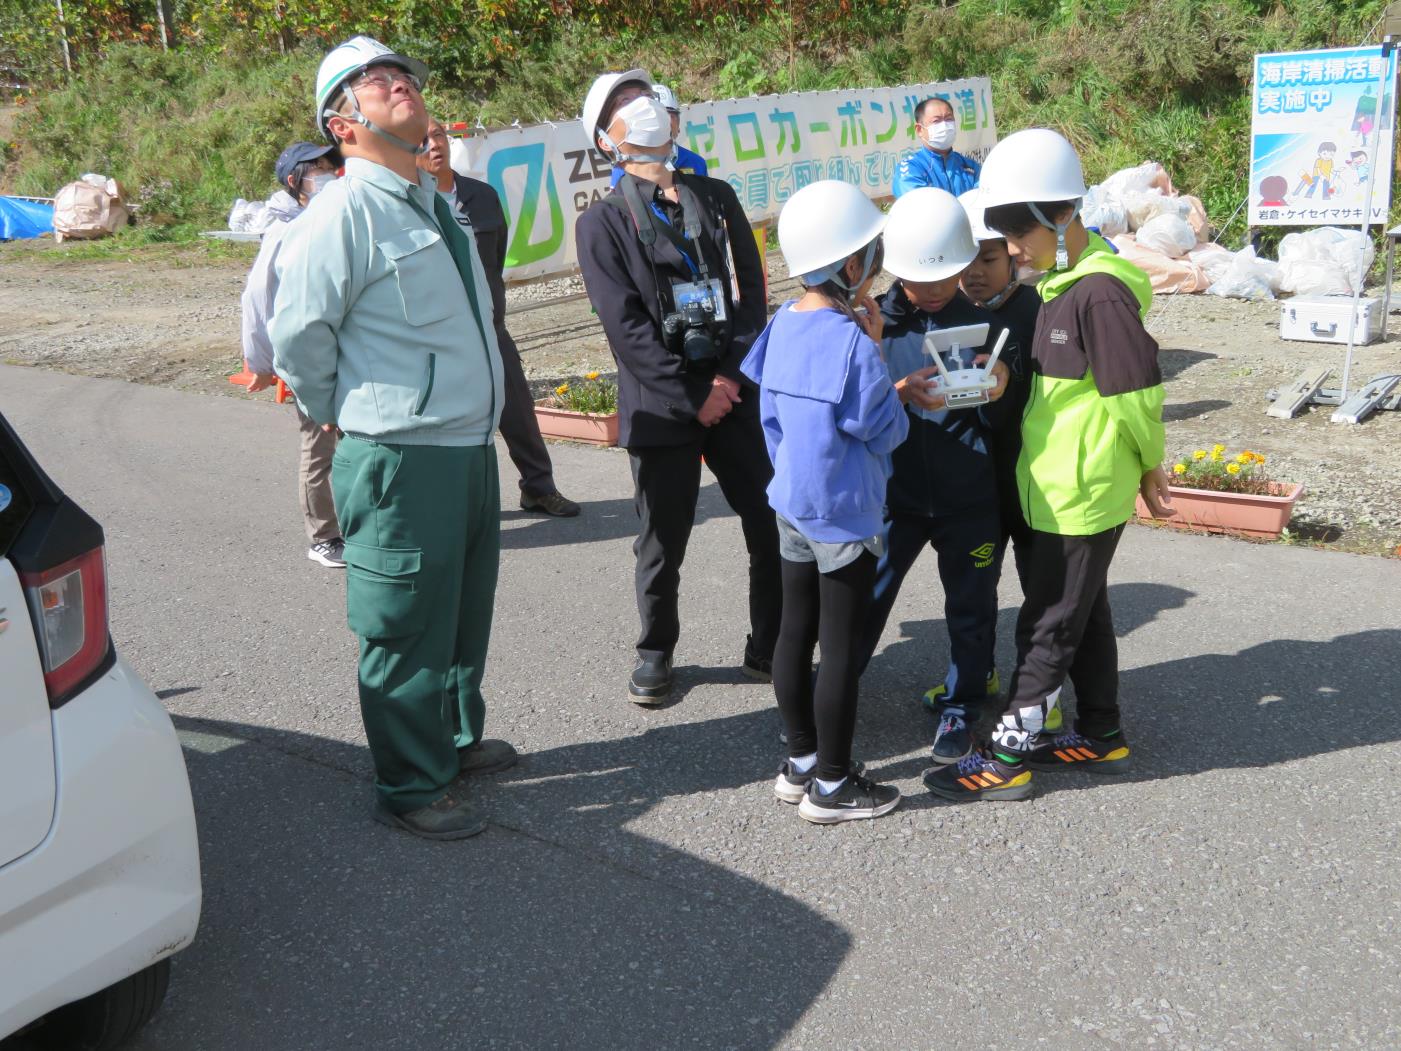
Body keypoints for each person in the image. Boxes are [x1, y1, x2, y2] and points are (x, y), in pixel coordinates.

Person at [270, 36, 518, 840]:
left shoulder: (434, 202)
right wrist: (346, 412)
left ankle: (448, 739)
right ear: (342, 126)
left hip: (466, 448)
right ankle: (410, 783)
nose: (397, 84)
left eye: (402, 75)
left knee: (460, 613)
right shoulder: (341, 212)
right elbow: (299, 338)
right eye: (371, 83)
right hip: (400, 452)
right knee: (404, 621)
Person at [923, 128, 1171, 803]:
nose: (1008, 247)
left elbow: (1136, 393)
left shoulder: (1099, 294)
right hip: (1058, 484)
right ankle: (1100, 729)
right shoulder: (1062, 286)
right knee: (1081, 610)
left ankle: (1005, 756)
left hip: (1083, 490)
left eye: (1014, 231)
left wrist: (1150, 466)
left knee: (1046, 623)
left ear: (1060, 214)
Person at [575, 68, 782, 705]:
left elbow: (752, 290)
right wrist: (691, 393)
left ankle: (768, 642)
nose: (641, 110)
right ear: (606, 140)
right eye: (622, 107)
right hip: (660, 399)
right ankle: (656, 651)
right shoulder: (602, 223)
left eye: (644, 99)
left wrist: (730, 370)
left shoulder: (715, 196)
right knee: (663, 535)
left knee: (769, 517)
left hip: (730, 384)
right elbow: (625, 328)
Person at [741, 180, 909, 824]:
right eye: (872, 251)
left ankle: (802, 761)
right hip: (843, 511)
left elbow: (773, 419)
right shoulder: (852, 344)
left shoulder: (782, 322)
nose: (878, 263)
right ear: (848, 265)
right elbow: (885, 429)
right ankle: (834, 787)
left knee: (794, 630)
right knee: (839, 648)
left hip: (789, 503)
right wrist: (875, 350)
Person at [854, 187, 1014, 768]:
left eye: (947, 276)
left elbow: (1005, 418)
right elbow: (850, 408)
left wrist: (999, 390)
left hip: (969, 495)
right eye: (923, 281)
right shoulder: (871, 323)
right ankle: (836, 694)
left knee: (971, 605)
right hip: (889, 497)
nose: (935, 289)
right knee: (863, 601)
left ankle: (963, 704)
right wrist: (895, 392)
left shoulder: (984, 328)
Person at [417, 118, 581, 517]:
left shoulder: (482, 196)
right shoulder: (410, 204)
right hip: (439, 336)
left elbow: (496, 258)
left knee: (518, 410)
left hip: (491, 326)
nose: (434, 144)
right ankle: (456, 506)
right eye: (422, 140)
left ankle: (539, 488)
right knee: (452, 422)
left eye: (439, 135)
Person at [240, 140, 346, 568]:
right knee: (319, 445)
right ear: (294, 181)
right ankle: (322, 536)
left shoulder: (328, 218)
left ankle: (354, 524)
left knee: (350, 441)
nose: (326, 172)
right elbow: (257, 298)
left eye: (328, 165)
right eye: (315, 167)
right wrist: (261, 363)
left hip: (339, 349)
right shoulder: (286, 228)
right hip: (307, 356)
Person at [958, 188, 1037, 596]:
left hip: (1030, 474)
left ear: (1012, 256)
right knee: (976, 587)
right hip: (974, 483)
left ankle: (1040, 660)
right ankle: (978, 663)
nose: (974, 273)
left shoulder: (1036, 309)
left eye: (987, 259)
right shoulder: (950, 315)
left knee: (1040, 583)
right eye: (965, 261)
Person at [608, 83, 708, 187]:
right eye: (656, 117)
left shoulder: (696, 162)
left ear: (678, 124)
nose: (663, 122)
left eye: (670, 115)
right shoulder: (624, 168)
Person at [892, 97, 980, 199]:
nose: (944, 125)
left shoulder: (970, 166)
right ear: (920, 130)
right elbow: (920, 206)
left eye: (948, 119)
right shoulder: (911, 168)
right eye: (936, 121)